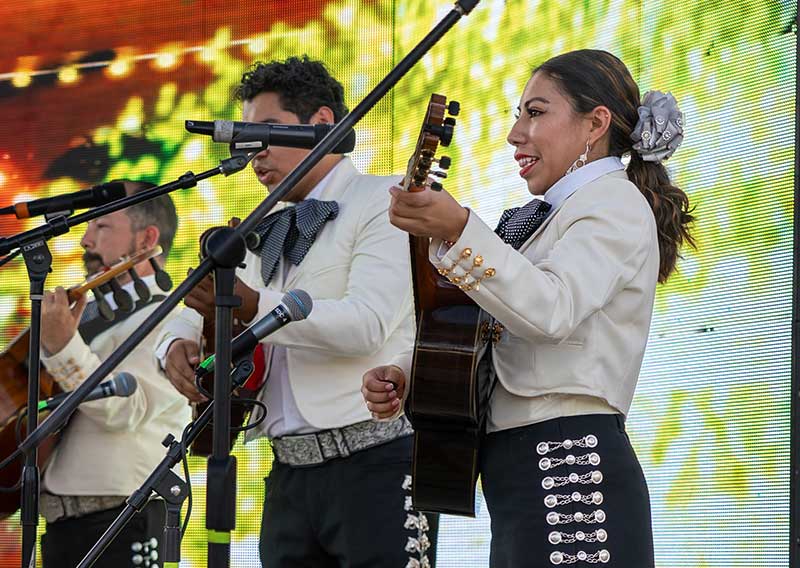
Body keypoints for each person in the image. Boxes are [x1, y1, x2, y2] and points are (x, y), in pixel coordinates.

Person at [363, 49, 694, 568]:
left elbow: (550, 310)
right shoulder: (545, 216)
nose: (516, 134)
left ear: (596, 123)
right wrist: (409, 370)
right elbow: (489, 327)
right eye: (518, 115)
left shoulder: (613, 203)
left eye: (535, 113)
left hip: (570, 465)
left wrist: (457, 228)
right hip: (525, 470)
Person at [156, 55, 437, 568]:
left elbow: (366, 323)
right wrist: (173, 344)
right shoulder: (264, 223)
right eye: (247, 135)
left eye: (270, 131)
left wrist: (251, 304)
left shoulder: (383, 200)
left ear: (323, 125)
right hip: (286, 475)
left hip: (376, 463)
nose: (255, 151)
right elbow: (196, 304)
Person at [38, 180, 191, 567]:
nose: (85, 240)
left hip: (121, 525)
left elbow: (126, 408)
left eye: (101, 226)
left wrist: (62, 347)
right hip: (62, 530)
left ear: (146, 239)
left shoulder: (174, 322)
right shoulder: (91, 319)